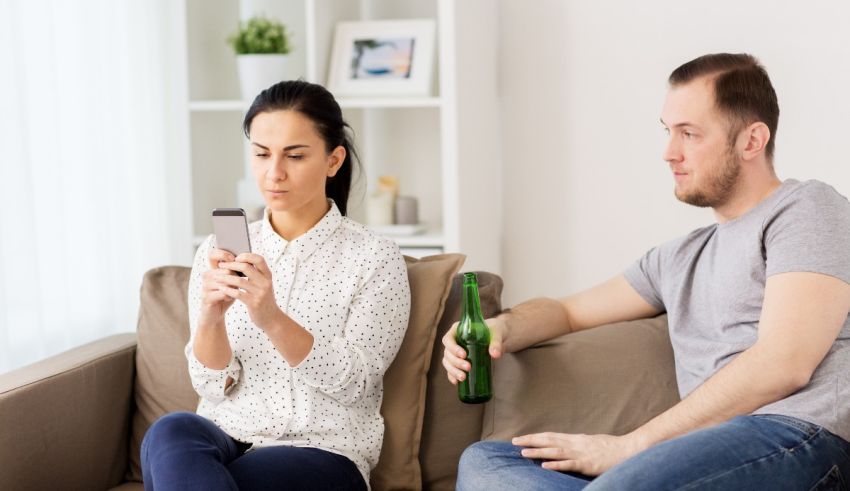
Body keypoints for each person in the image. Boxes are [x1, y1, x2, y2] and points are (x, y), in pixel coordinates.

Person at [446, 53, 850, 490]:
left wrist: (630, 446)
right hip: (691, 457)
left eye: (689, 134)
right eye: (668, 131)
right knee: (487, 462)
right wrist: (501, 327)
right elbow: (568, 312)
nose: (668, 153)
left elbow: (783, 364)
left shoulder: (808, 209)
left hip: (796, 438)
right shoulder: (677, 258)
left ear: (751, 140)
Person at [141, 80, 411, 490]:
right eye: (262, 154)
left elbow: (355, 383)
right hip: (228, 436)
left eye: (295, 155)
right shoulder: (217, 250)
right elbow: (212, 386)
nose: (274, 173)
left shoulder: (374, 258)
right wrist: (211, 318)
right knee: (170, 431)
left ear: (333, 160)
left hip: (323, 452)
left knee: (216, 480)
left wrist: (270, 318)